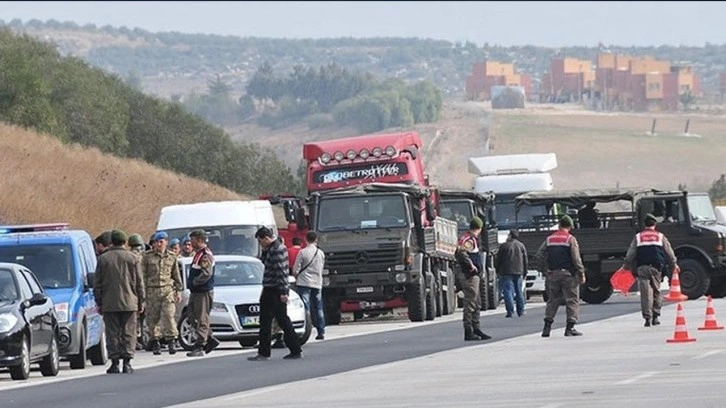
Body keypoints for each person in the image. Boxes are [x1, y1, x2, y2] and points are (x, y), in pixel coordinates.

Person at [93, 229, 145, 374]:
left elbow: (97, 284)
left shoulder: (103, 259)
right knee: (129, 332)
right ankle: (127, 362)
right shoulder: (133, 258)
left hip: (109, 303)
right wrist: (141, 302)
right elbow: (139, 283)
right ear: (124, 242)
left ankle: (115, 363)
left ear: (111, 242)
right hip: (130, 301)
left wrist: (99, 302)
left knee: (112, 333)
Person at [248, 227, 303, 361]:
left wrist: (284, 291)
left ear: (266, 238)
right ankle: (265, 351)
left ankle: (294, 349)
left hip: (275, 290)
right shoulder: (271, 249)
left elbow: (282, 272)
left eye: (261, 241)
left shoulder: (277, 249)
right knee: (266, 321)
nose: (261, 244)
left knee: (281, 320)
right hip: (269, 288)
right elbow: (263, 261)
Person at [622, 213, 678, 327]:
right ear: (655, 224)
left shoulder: (638, 237)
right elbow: (669, 252)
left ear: (645, 224)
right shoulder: (660, 236)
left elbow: (630, 254)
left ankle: (647, 318)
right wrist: (674, 264)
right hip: (656, 268)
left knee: (645, 293)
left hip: (642, 268)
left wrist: (625, 266)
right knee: (657, 291)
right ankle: (656, 316)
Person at [536, 215, 586, 337]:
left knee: (552, 300)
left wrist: (545, 270)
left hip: (553, 274)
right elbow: (576, 258)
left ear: (559, 225)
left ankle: (547, 328)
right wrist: (581, 272)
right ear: (570, 226)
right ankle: (570, 328)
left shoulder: (549, 239)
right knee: (572, 300)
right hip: (568, 275)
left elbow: (539, 255)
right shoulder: (570, 239)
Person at [141, 231, 183, 355]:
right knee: (153, 319)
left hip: (167, 290)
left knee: (169, 316)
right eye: (157, 242)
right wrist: (142, 293)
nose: (159, 244)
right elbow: (143, 275)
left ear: (166, 242)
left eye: (161, 242)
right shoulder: (147, 257)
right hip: (152, 291)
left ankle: (171, 341)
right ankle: (156, 342)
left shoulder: (172, 256)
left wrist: (179, 291)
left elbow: (176, 275)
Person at [454, 217, 491, 341]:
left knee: (477, 302)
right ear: (479, 228)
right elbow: (461, 252)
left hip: (473, 276)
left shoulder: (470, 238)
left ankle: (476, 328)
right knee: (470, 303)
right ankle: (468, 330)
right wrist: (471, 265)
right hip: (469, 276)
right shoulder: (469, 239)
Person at [186, 229, 220, 357]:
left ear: (199, 239)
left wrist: (195, 282)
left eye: (192, 239)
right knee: (191, 315)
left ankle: (200, 345)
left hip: (203, 292)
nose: (191, 242)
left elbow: (206, 273)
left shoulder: (205, 255)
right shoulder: (198, 254)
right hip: (196, 292)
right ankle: (209, 338)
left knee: (202, 318)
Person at [292, 231, 326, 340]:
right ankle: (321, 331)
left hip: (304, 282)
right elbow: (321, 267)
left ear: (306, 239)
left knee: (306, 307)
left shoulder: (302, 252)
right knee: (318, 307)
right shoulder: (320, 253)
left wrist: (296, 276)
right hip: (317, 282)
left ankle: (307, 329)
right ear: (316, 239)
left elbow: (295, 269)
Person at [495, 229, 527, 318]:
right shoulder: (521, 246)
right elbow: (525, 260)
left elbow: (498, 260)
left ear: (510, 236)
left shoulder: (504, 246)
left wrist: (497, 270)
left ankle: (510, 311)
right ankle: (521, 311)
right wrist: (525, 272)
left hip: (506, 271)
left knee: (508, 292)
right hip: (519, 271)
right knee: (519, 291)